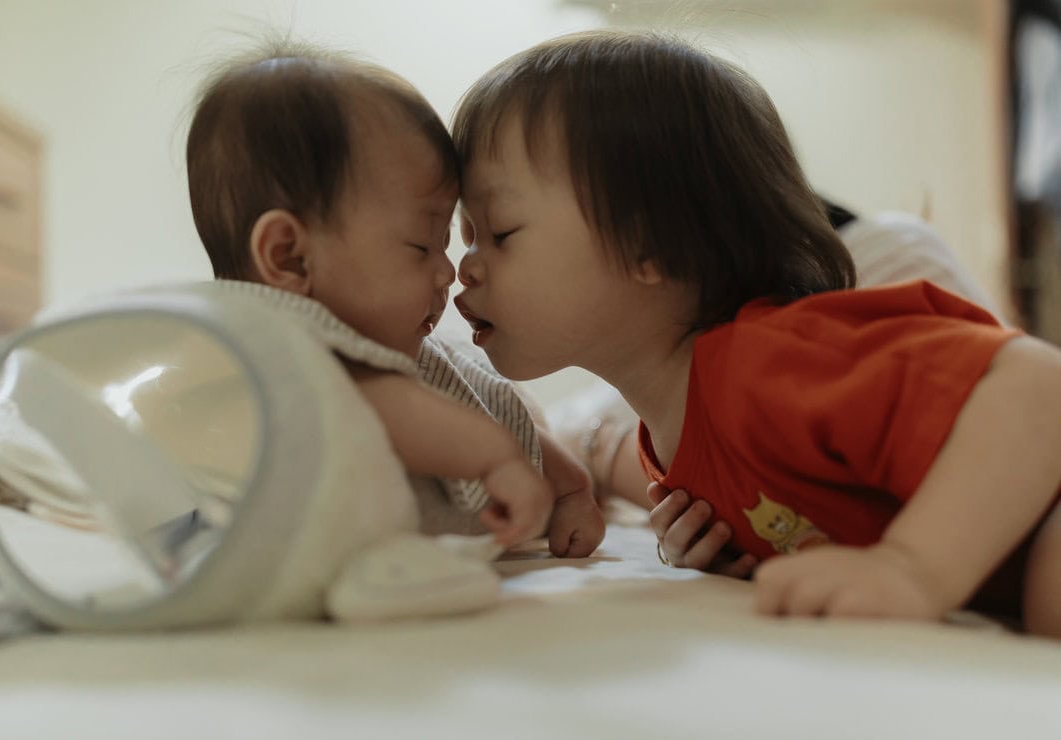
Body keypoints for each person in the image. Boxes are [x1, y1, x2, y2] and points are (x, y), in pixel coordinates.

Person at [450, 31, 1061, 634]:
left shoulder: (769, 358)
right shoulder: (669, 432)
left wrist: (912, 569)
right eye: (466, 233)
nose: (465, 266)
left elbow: (1038, 385)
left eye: (500, 233)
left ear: (651, 245)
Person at [183, 42, 603, 557]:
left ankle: (581, 475)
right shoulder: (279, 345)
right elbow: (379, 405)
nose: (447, 271)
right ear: (290, 257)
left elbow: (503, 425)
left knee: (510, 416)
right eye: (421, 246)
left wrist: (562, 487)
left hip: (488, 455)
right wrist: (494, 460)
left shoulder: (422, 374)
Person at [551, 199, 1011, 579]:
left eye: (513, 233)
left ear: (645, 248)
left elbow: (1024, 379)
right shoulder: (673, 411)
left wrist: (911, 567)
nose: (476, 265)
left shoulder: (777, 351)